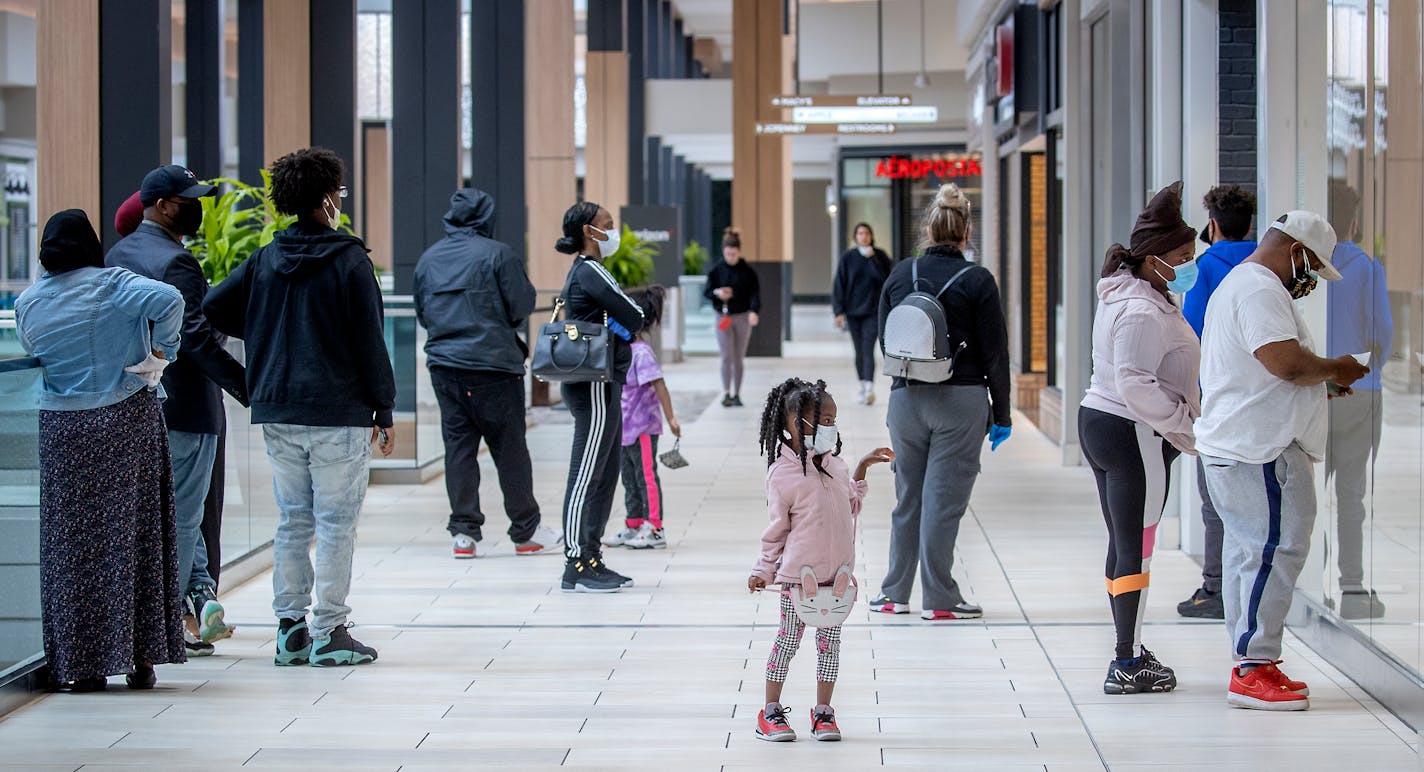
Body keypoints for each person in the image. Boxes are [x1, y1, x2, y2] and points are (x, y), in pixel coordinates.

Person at [204, 147, 396, 667]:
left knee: (293, 519)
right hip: (337, 411)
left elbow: (212, 307)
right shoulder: (350, 260)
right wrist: (384, 409)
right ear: (330, 197)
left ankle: (289, 630)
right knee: (335, 523)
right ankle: (329, 631)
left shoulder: (265, 258)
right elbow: (370, 341)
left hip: (278, 409)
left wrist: (266, 336)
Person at [1195, 210, 1369, 711]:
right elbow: (1285, 363)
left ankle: (1248, 658)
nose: (1309, 279)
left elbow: (1268, 370)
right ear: (1296, 252)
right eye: (1311, 267)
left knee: (1251, 553)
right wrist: (1338, 367)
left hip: (1238, 445)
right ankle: (1254, 666)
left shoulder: (1241, 284)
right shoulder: (1260, 289)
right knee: (1278, 547)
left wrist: (1323, 383)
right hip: (1262, 450)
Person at [15, 210, 187, 692]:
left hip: (62, 430)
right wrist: (160, 353)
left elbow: (32, 349)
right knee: (136, 537)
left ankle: (80, 664)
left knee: (68, 548)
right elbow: (170, 299)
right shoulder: (112, 284)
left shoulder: (29, 301)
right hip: (124, 421)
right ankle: (140, 659)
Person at [106, 165, 247, 658]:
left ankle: (198, 601)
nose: (198, 207)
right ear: (163, 205)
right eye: (190, 199)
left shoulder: (118, 254)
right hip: (187, 406)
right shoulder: (177, 263)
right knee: (185, 515)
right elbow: (196, 341)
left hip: (134, 404)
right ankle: (168, 621)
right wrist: (247, 387)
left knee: (160, 513)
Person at [1078, 181, 1200, 695]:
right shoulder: (1144, 310)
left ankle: (1127, 647)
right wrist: (1184, 425)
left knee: (1125, 543)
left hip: (1105, 425)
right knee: (1138, 549)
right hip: (1133, 433)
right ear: (1155, 260)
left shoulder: (1127, 294)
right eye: (1184, 256)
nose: (1191, 264)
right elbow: (1134, 381)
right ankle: (1126, 660)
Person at [870, 183, 1011, 621]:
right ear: (966, 232)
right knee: (943, 502)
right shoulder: (978, 279)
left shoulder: (900, 273)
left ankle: (894, 593)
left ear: (927, 231)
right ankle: (941, 598)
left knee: (908, 497)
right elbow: (995, 353)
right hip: (961, 402)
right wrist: (1001, 414)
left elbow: (883, 339)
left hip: (906, 400)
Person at [413, 188, 561, 560]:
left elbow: (422, 312)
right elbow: (521, 305)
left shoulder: (428, 260)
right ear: (486, 217)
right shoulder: (498, 254)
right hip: (493, 366)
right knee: (510, 449)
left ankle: (464, 534)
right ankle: (526, 531)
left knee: (459, 449)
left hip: (445, 367)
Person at [747, 378, 894, 742]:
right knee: (788, 641)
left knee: (830, 647)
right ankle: (770, 712)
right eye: (824, 420)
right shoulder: (783, 475)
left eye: (833, 420)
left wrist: (860, 467)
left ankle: (823, 712)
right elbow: (776, 531)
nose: (831, 427)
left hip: (837, 579)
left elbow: (851, 505)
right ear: (794, 425)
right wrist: (763, 570)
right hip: (800, 579)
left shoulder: (837, 466)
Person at [552, 201, 646, 592]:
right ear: (590, 232)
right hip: (592, 384)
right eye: (608, 225)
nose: (614, 230)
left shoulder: (591, 271)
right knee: (587, 471)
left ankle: (592, 555)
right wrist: (634, 316)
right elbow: (634, 314)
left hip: (603, 381)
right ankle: (576, 560)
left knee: (604, 471)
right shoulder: (589, 270)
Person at [1177, 184, 1257, 620]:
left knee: (1214, 496)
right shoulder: (1265, 264)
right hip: (1261, 394)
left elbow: (1193, 335)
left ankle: (1215, 587)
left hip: (1217, 397)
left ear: (1212, 225)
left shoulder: (1206, 266)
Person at [1324, 181, 1392, 620]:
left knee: (1306, 494)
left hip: (1314, 391)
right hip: (1361, 393)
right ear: (1353, 220)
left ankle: (1307, 582)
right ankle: (1351, 588)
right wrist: (1369, 368)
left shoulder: (1307, 269)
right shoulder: (1367, 267)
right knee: (1351, 495)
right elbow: (1382, 333)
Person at [604, 286, 681, 551]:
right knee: (628, 476)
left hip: (644, 427)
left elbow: (659, 384)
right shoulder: (623, 350)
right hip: (624, 428)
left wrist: (671, 418)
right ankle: (634, 522)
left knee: (646, 475)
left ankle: (655, 527)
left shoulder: (642, 353)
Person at [832, 223, 892, 406]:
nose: (863, 236)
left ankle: (869, 387)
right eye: (860, 233)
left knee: (868, 348)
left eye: (866, 233)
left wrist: (872, 260)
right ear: (855, 237)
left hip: (873, 311)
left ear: (871, 236)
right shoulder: (848, 258)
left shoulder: (880, 256)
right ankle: (861, 384)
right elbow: (839, 285)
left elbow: (887, 281)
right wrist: (838, 311)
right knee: (858, 350)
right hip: (853, 312)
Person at [704, 227, 760, 407]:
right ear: (723, 252)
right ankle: (726, 392)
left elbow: (754, 293)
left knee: (738, 356)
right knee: (726, 356)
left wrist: (754, 311)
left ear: (739, 252)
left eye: (734, 254)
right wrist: (718, 293)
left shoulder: (747, 271)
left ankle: (737, 392)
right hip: (723, 315)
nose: (731, 257)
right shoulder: (716, 270)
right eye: (728, 254)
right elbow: (707, 292)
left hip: (742, 316)